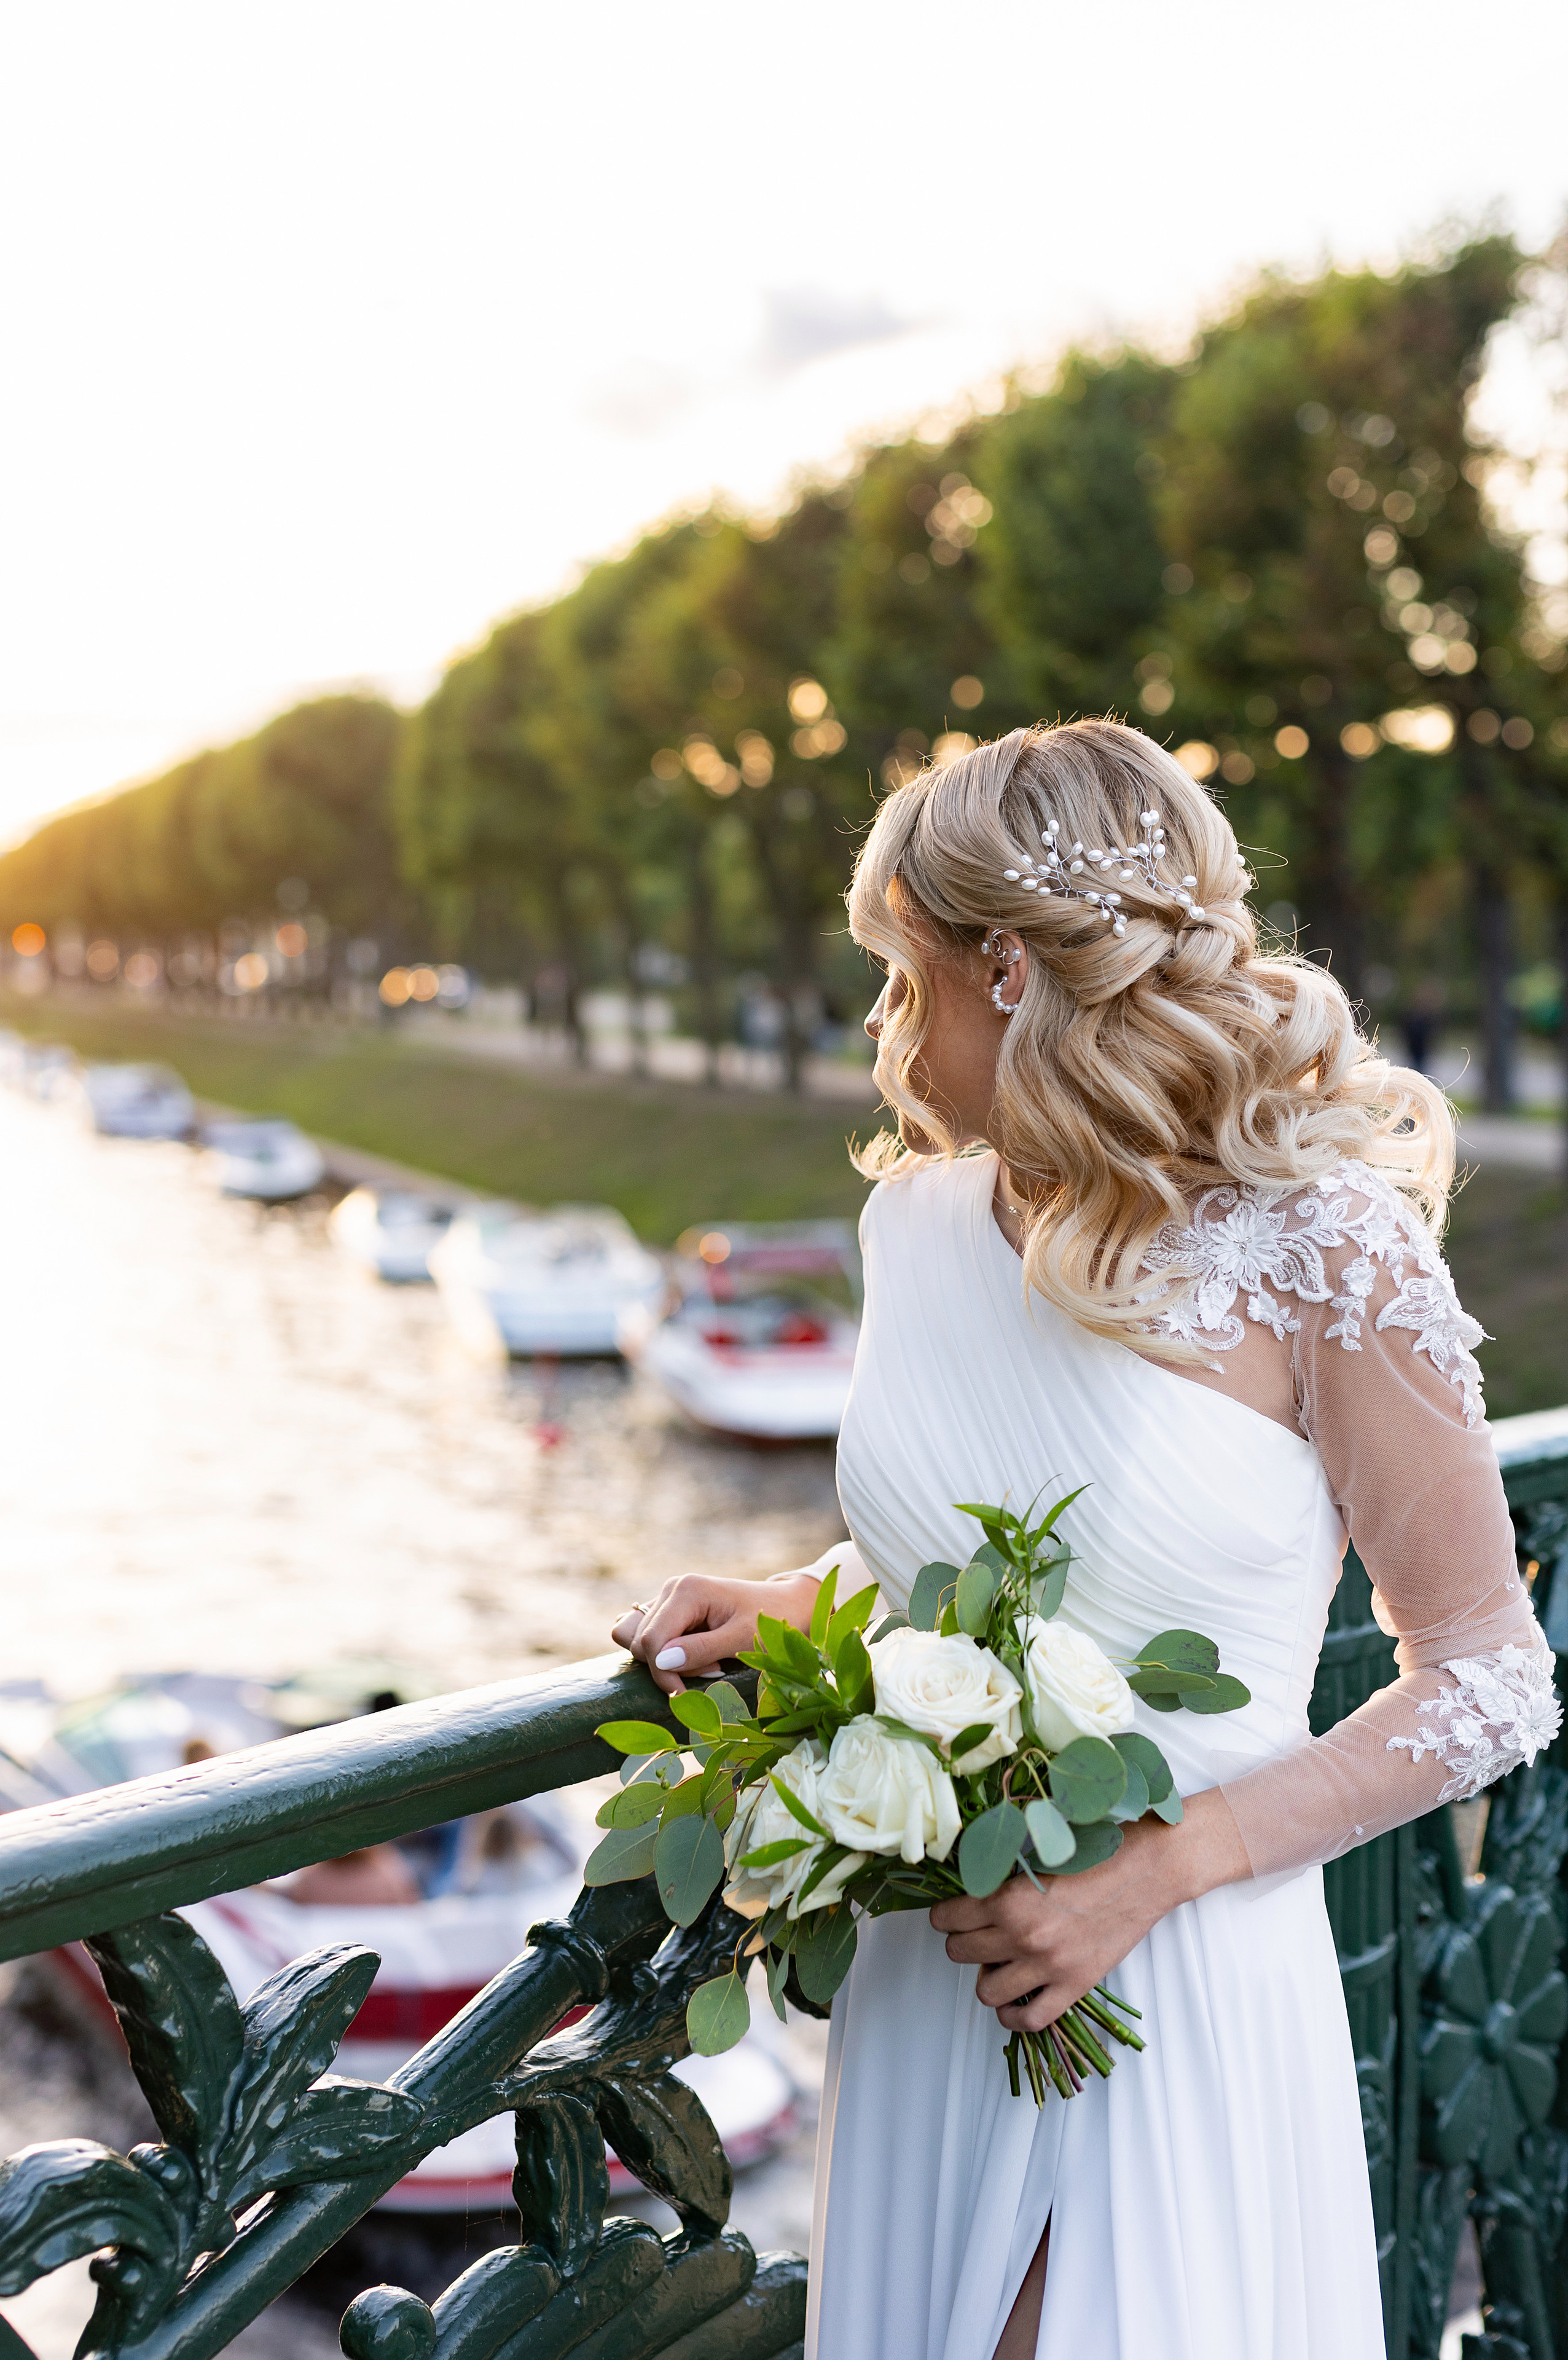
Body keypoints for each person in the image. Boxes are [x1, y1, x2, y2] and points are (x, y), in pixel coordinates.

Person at [611, 721, 1556, 2360]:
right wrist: (796, 1607)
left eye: (900, 976)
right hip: (938, 1981)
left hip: (1177, 1979)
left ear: (1007, 975)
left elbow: (1488, 1678)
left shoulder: (1324, 1251)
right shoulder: (912, 1227)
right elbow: (971, 1566)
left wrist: (1162, 1866)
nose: (882, 1022)